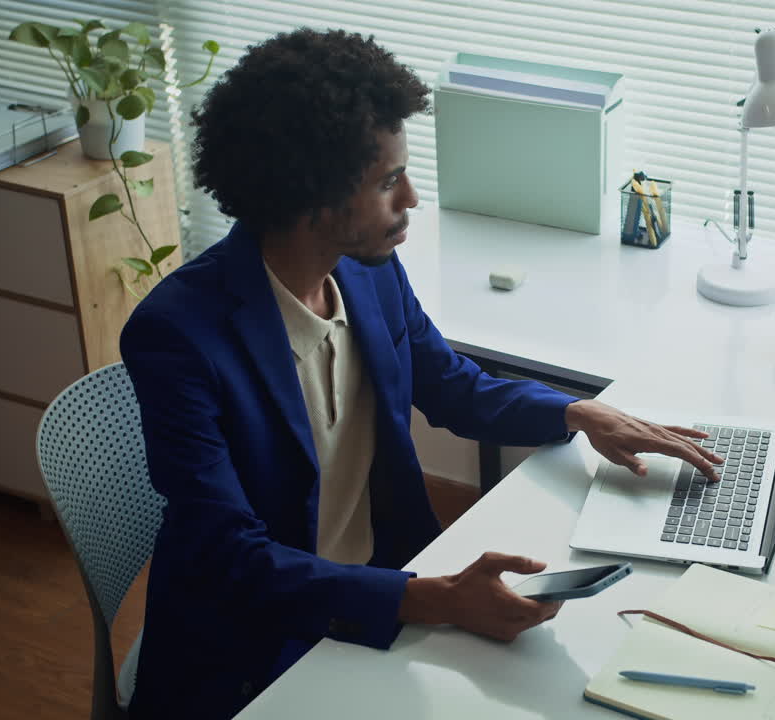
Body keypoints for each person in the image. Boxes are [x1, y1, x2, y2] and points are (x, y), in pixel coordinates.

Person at [119, 28, 721, 720]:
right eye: (386, 181)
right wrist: (434, 598)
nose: (411, 197)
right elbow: (232, 560)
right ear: (308, 197)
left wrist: (580, 415)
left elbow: (446, 382)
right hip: (254, 648)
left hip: (375, 594)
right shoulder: (179, 335)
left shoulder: (364, 271)